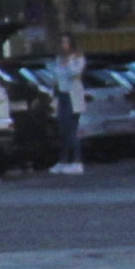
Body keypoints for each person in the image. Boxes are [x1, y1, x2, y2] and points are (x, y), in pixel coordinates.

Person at [49, 31, 88, 174]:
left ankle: (77, 161)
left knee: (73, 130)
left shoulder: (77, 58)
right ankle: (63, 161)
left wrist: (69, 63)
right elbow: (56, 75)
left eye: (66, 42)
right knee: (63, 130)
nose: (64, 45)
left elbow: (75, 74)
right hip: (62, 96)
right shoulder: (59, 59)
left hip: (73, 97)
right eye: (62, 42)